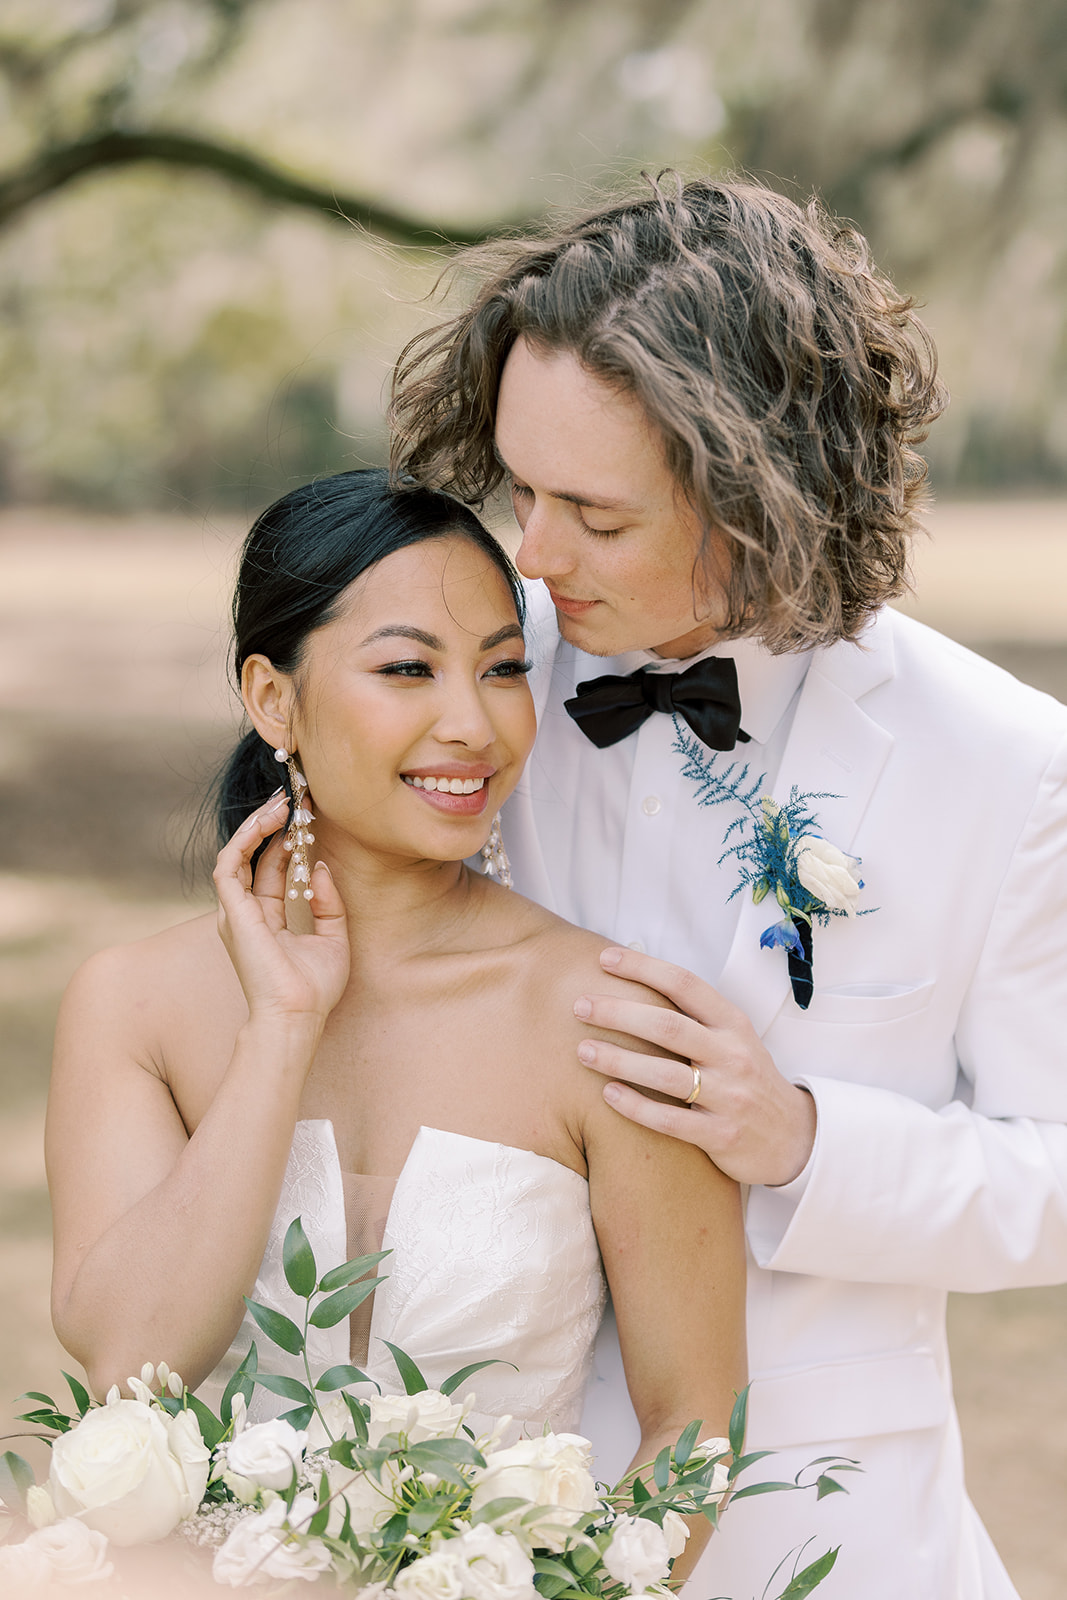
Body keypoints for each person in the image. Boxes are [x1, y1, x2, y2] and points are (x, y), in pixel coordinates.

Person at [389, 173, 1067, 1598]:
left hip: (831, 1527)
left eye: (594, 513)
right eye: (520, 489)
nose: (535, 553)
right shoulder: (456, 683)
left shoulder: (1007, 769)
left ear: (759, 491)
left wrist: (802, 1137)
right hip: (460, 1516)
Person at [45, 469, 746, 1582]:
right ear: (273, 700)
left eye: (504, 669)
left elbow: (692, 1428)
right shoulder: (131, 1005)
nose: (470, 724)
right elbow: (135, 1363)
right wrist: (279, 1028)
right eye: (406, 668)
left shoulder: (608, 1018)